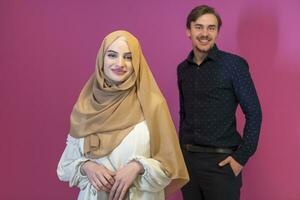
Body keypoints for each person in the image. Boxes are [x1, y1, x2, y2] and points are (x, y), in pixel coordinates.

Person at [57, 30, 189, 200]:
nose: (120, 63)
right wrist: (87, 166)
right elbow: (65, 167)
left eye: (128, 57)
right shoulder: (86, 106)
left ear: (137, 62)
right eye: (112, 55)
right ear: (101, 59)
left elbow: (171, 168)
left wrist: (138, 166)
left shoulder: (153, 104)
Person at [177, 5, 262, 200]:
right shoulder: (182, 69)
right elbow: (184, 114)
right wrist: (181, 154)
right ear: (188, 31)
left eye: (211, 28)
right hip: (189, 164)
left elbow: (254, 113)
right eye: (199, 27)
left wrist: (240, 158)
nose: (205, 33)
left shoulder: (233, 65)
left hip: (222, 165)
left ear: (217, 32)